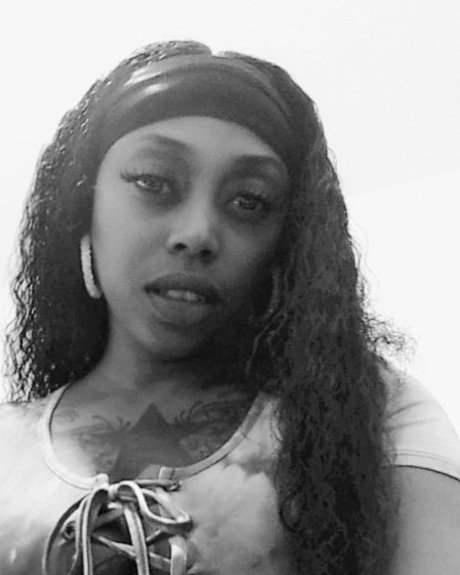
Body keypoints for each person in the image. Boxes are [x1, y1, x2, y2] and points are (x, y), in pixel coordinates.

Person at [0, 40, 459, 575]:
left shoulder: (372, 414)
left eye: (249, 201)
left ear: (286, 244)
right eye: (153, 182)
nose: (198, 233)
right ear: (82, 210)